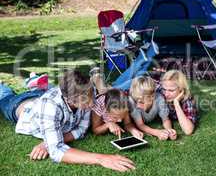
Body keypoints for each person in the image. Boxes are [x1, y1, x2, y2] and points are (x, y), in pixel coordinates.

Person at [0, 70, 135, 172]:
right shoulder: (50, 107)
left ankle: (36, 84)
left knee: (42, 90)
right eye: (85, 100)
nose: (91, 103)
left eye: (91, 96)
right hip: (20, 106)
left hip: (43, 95)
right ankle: (5, 87)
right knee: (5, 95)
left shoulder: (87, 91)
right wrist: (101, 158)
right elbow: (57, 151)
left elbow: (81, 130)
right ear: (69, 99)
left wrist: (50, 141)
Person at [129, 76, 177, 141]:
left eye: (141, 102)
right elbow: (140, 124)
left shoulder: (159, 99)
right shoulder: (132, 102)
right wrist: (157, 132)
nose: (138, 106)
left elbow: (165, 119)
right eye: (136, 101)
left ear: (152, 97)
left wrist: (169, 130)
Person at [160, 70, 198, 135]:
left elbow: (188, 130)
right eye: (164, 89)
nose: (166, 94)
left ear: (181, 89)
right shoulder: (160, 90)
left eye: (171, 90)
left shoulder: (187, 101)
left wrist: (176, 103)